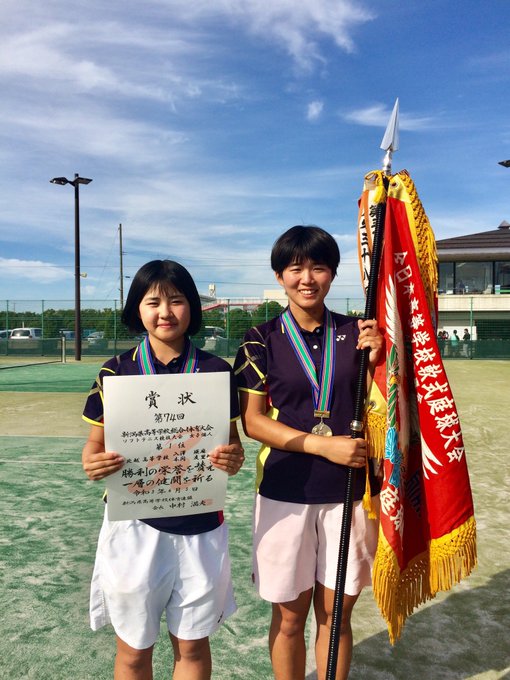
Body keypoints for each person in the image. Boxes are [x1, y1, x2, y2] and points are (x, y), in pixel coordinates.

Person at [81, 259, 245, 680]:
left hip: (200, 522)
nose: (165, 311)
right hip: (134, 523)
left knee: (191, 647)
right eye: (152, 301)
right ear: (137, 309)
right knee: (134, 652)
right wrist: (92, 461)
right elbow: (94, 447)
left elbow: (232, 447)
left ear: (191, 307)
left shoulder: (215, 372)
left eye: (176, 300)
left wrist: (233, 459)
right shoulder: (115, 372)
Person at [234, 226, 383, 680]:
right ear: (280, 276)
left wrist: (380, 361)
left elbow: (383, 405)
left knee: (335, 618)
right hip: (284, 492)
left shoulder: (358, 333)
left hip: (351, 493)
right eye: (295, 268)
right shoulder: (259, 339)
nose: (306, 278)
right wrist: (325, 446)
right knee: (290, 618)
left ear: (333, 274)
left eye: (318, 267)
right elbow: (253, 421)